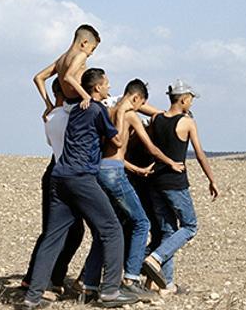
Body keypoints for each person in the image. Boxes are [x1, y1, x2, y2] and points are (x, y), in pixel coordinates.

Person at [22, 68, 143, 310]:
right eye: (107, 83)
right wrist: (119, 112)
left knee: (53, 236)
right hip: (81, 178)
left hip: (59, 177)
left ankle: (32, 296)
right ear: (97, 88)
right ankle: (110, 291)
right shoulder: (97, 110)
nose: (109, 87)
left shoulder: (74, 110)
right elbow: (117, 141)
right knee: (112, 228)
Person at [78, 78, 184, 298]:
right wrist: (172, 162)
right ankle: (131, 278)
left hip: (101, 170)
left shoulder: (105, 111)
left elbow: (106, 151)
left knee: (106, 228)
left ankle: (89, 284)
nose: (139, 108)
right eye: (140, 103)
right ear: (136, 98)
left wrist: (135, 169)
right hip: (114, 174)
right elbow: (151, 148)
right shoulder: (129, 115)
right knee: (142, 222)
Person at [141, 79, 219, 293]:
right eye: (191, 100)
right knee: (190, 226)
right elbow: (200, 154)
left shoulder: (156, 119)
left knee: (168, 231)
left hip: (154, 181)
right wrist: (211, 179)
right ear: (183, 99)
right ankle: (154, 258)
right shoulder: (186, 122)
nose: (191, 104)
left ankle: (166, 284)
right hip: (175, 183)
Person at [21, 79, 83, 298]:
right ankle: (48, 279)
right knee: (64, 232)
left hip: (55, 172)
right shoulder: (62, 116)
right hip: (62, 174)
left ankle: (36, 278)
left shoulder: (52, 116)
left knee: (56, 230)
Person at [33, 24, 101, 113]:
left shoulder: (61, 60)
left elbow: (38, 78)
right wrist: (86, 96)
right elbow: (68, 76)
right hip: (81, 101)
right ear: (84, 43)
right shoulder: (81, 55)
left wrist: (48, 104)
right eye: (92, 49)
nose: (91, 53)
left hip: (68, 104)